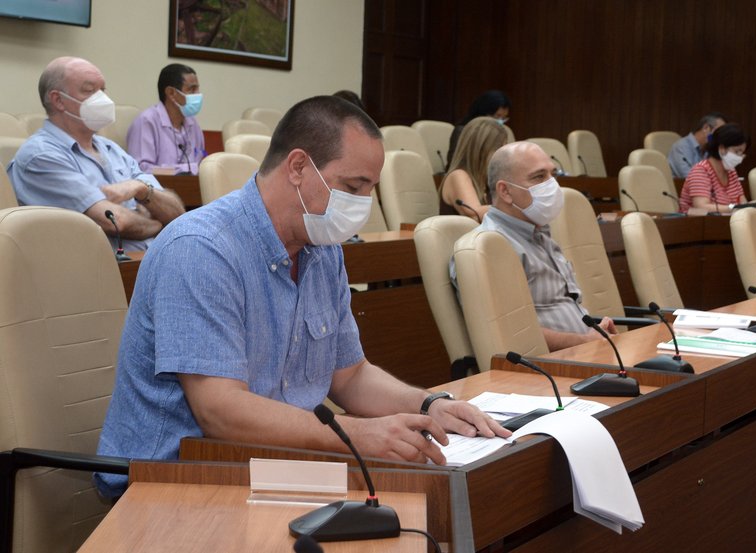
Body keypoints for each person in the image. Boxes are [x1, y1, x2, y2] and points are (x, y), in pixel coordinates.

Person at [95, 95, 510, 498]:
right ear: (298, 166)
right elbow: (219, 410)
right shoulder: (202, 249)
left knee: (436, 504)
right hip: (173, 480)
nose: (363, 203)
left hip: (269, 464)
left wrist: (428, 405)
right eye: (353, 185)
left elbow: (350, 376)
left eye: (371, 189)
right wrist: (355, 433)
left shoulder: (322, 249)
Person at [451, 141, 617, 351]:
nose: (552, 185)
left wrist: (597, 333)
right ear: (505, 191)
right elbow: (510, 334)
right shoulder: (489, 247)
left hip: (587, 356)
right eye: (539, 177)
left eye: (552, 174)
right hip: (546, 372)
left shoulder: (541, 235)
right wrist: (584, 341)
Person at [8, 57, 184, 252]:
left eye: (103, 90)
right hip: (99, 273)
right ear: (58, 100)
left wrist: (141, 189)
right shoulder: (42, 155)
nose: (102, 99)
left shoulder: (112, 149)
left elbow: (176, 213)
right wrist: (158, 222)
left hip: (149, 261)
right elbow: (115, 221)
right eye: (89, 90)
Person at [126, 63, 206, 175]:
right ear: (171, 93)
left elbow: (202, 163)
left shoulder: (193, 123)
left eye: (197, 89)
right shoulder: (146, 121)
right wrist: (184, 170)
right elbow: (141, 169)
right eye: (191, 89)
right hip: (156, 190)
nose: (198, 94)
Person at [438, 116, 507, 220]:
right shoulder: (458, 175)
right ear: (481, 149)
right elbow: (475, 214)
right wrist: (518, 209)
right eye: (499, 149)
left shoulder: (489, 179)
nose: (503, 156)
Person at [679, 123, 749, 214]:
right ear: (722, 149)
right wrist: (734, 208)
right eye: (737, 151)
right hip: (698, 224)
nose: (740, 157)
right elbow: (701, 207)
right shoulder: (701, 170)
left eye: (742, 152)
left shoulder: (731, 171)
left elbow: (742, 201)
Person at [446, 90, 511, 169]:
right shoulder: (462, 131)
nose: (500, 121)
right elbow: (455, 163)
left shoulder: (499, 133)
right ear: (483, 112)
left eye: (504, 118)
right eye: (497, 116)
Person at [667, 112, 728, 178]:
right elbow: (689, 177)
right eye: (719, 131)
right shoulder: (680, 147)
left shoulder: (709, 150)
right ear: (706, 128)